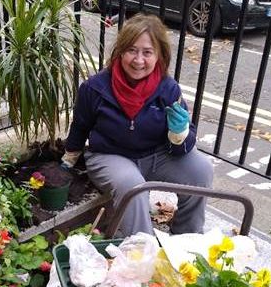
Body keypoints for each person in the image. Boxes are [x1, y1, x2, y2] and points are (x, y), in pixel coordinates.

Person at [61, 13, 213, 237]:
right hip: (110, 156)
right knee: (133, 185)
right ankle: (142, 250)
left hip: (156, 155)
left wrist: (179, 134)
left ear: (159, 56)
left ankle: (187, 239)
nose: (138, 60)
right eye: (132, 50)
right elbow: (80, 126)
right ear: (120, 51)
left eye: (147, 52)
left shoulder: (168, 89)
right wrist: (68, 160)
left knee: (201, 171)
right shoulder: (95, 88)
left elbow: (183, 146)